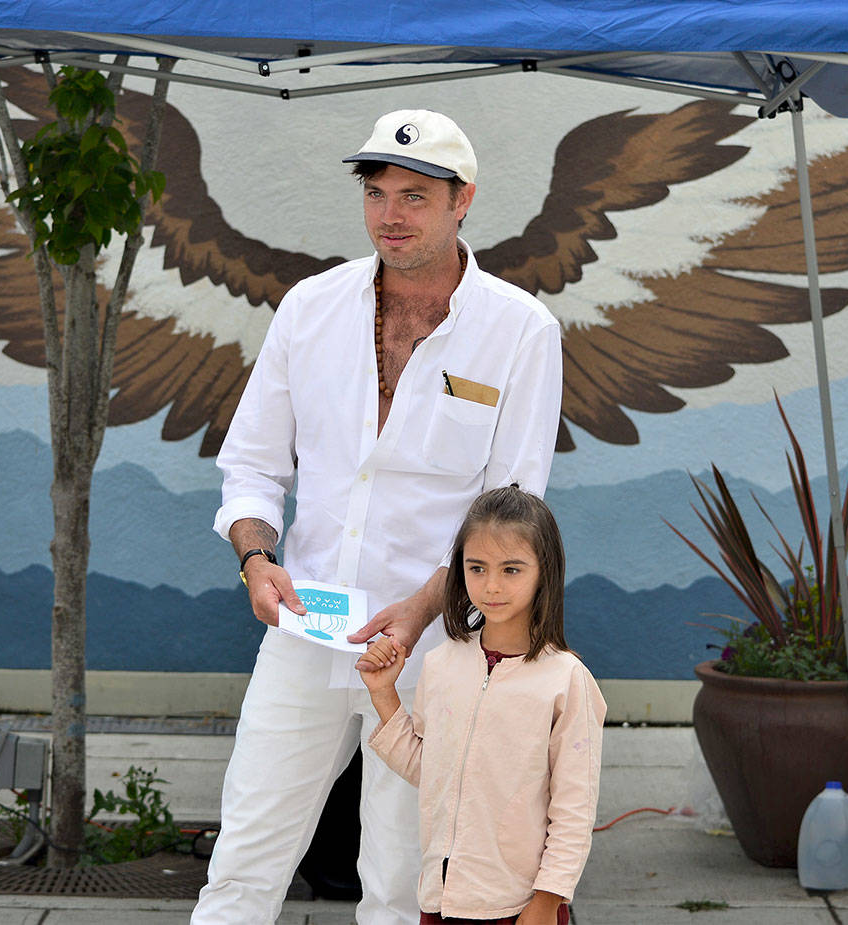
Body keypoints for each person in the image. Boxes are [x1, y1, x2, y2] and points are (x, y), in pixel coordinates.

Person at [191, 109, 564, 925]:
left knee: (400, 877)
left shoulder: (521, 331)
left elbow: (514, 511)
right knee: (245, 853)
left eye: (415, 196)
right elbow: (252, 461)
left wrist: (430, 602)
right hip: (307, 622)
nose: (391, 214)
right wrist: (257, 561)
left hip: (433, 649)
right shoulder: (311, 307)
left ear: (463, 200)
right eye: (377, 193)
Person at [357, 485, 606, 925]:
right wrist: (384, 696)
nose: (492, 585)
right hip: (441, 897)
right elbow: (433, 771)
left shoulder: (567, 680)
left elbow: (574, 807)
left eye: (512, 569)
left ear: (544, 572)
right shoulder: (442, 662)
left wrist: (548, 898)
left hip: (519, 905)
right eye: (477, 568)